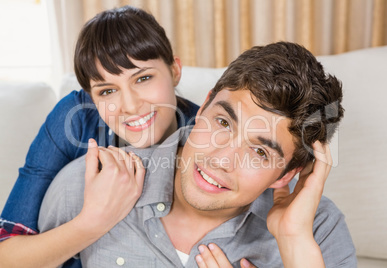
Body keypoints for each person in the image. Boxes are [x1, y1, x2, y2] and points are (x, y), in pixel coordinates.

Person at [38, 42, 357, 267]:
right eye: (222, 122)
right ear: (203, 106)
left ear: (287, 174)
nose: (222, 158)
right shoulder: (86, 185)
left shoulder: (318, 229)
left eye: (259, 151)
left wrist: (293, 240)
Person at [0, 6, 199, 268]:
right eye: (107, 91)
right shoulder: (75, 120)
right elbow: (6, 255)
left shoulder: (206, 132)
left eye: (143, 78)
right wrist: (94, 221)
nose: (129, 104)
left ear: (175, 70)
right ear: (91, 97)